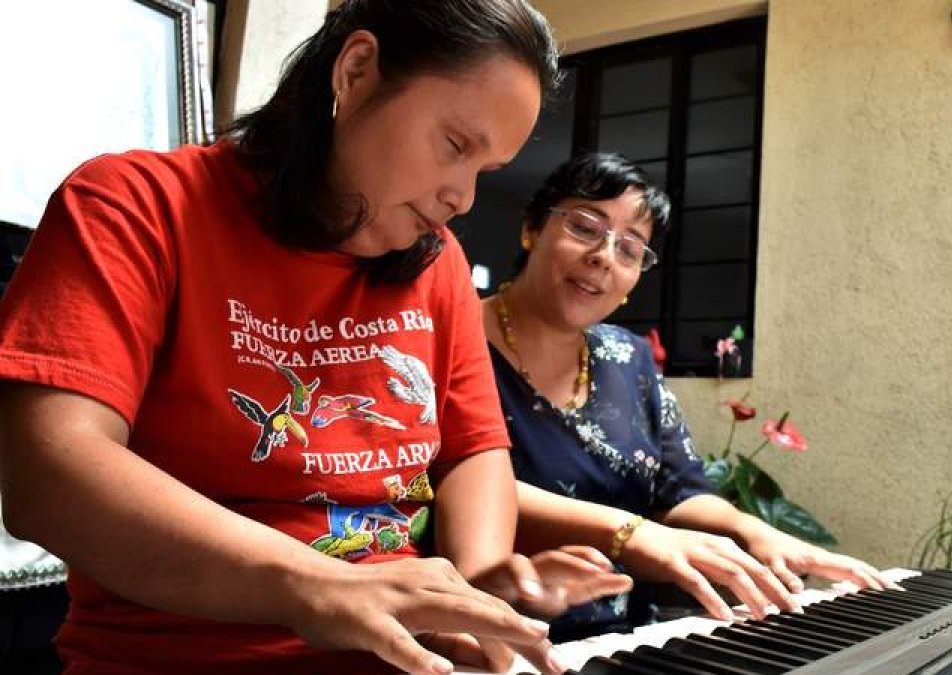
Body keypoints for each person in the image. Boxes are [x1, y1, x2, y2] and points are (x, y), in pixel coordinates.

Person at [0, 3, 633, 674]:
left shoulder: (438, 261)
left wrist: (474, 590)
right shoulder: (133, 205)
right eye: (455, 145)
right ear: (356, 70)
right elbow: (48, 473)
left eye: (487, 169)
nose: (465, 196)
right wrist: (314, 583)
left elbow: (475, 451)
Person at [482, 153, 899, 641]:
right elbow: (453, 482)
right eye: (584, 227)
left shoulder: (629, 359)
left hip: (629, 640)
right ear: (532, 228)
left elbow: (680, 492)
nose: (603, 256)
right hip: (494, 635)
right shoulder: (455, 338)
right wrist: (634, 534)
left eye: (630, 249)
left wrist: (755, 533)